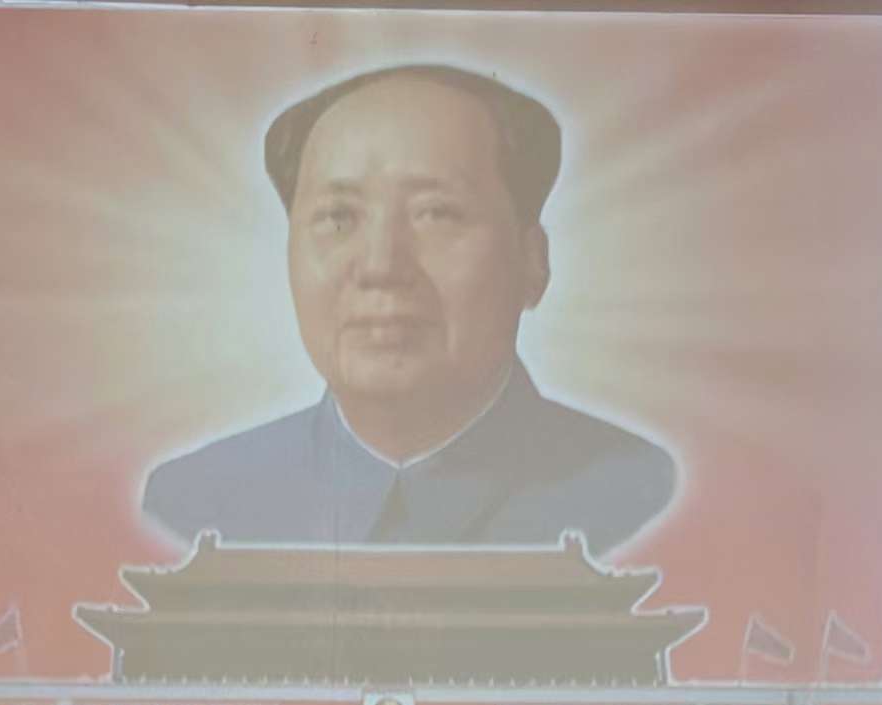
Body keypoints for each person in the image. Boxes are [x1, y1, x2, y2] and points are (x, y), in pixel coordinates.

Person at [142, 64, 675, 554]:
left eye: (436, 214)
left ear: (532, 262)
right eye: (338, 218)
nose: (381, 266)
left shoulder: (645, 499)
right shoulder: (191, 507)